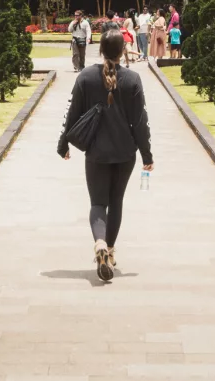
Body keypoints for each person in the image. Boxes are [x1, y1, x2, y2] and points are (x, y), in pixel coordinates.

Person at [58, 29, 153, 282]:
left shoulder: (86, 78)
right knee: (116, 202)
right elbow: (140, 122)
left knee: (98, 203)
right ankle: (109, 251)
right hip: (125, 154)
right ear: (124, 50)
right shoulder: (132, 80)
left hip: (96, 154)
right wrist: (147, 155)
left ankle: (99, 242)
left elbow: (72, 114)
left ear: (99, 49)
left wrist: (62, 144)